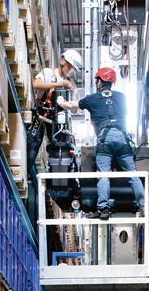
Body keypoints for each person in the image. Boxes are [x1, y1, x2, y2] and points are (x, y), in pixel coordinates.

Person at [57, 67, 144, 220]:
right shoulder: (121, 96)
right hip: (123, 139)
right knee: (132, 174)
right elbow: (123, 113)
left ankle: (103, 209)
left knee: (104, 175)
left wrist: (61, 102)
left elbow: (72, 106)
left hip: (105, 138)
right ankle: (144, 206)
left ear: (98, 81)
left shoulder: (92, 98)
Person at [27, 49, 83, 172]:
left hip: (57, 122)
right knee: (32, 144)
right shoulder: (48, 73)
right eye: (69, 66)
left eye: (73, 69)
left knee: (60, 149)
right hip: (41, 116)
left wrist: (75, 94)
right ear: (62, 60)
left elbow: (73, 111)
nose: (70, 70)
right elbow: (36, 84)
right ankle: (24, 172)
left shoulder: (70, 83)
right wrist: (58, 84)